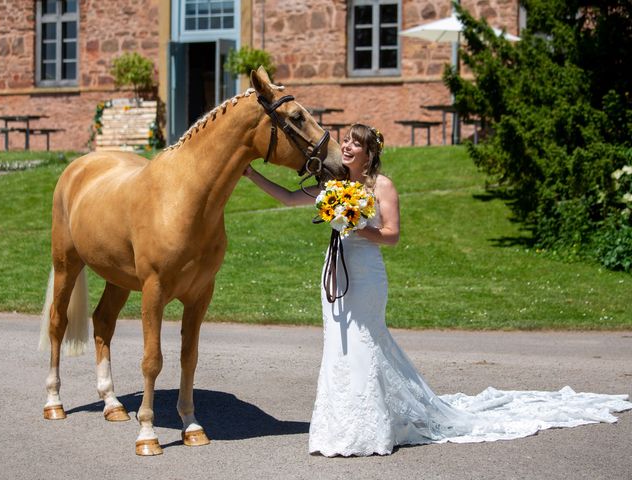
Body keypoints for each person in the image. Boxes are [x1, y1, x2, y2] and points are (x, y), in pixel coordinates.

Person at [244, 123, 632, 457]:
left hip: (366, 276)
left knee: (365, 343)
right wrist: (249, 174)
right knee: (339, 346)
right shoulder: (333, 185)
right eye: (345, 140)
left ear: (369, 152)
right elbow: (288, 197)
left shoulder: (382, 186)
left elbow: (393, 236)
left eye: (354, 143)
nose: (345, 146)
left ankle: (368, 431)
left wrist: (358, 226)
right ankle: (337, 426)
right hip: (336, 274)